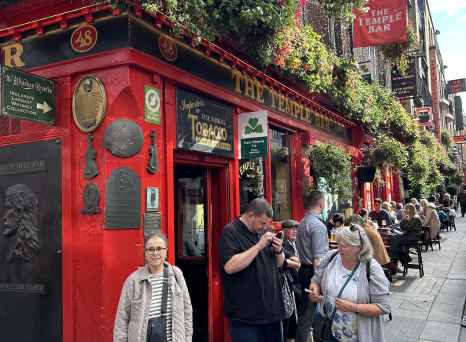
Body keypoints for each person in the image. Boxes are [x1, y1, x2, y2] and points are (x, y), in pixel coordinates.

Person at [308, 225, 391, 342]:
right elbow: (316, 280)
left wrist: (353, 307)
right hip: (329, 330)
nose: (339, 248)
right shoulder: (331, 257)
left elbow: (384, 307)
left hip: (359, 335)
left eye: (345, 245)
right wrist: (314, 290)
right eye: (339, 243)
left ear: (360, 247)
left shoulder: (371, 267)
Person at [220, 198, 285, 342]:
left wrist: (279, 250)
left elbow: (279, 264)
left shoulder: (262, 232)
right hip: (246, 317)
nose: (264, 227)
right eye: (262, 223)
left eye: (267, 223)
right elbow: (230, 266)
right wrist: (258, 246)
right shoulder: (231, 231)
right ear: (250, 215)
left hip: (272, 313)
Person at [113, 232, 193, 342]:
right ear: (145, 253)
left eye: (159, 248)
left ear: (166, 251)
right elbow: (122, 319)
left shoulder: (176, 275)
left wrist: (187, 339)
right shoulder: (133, 281)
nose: (155, 253)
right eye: (150, 249)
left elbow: (187, 311)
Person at [295, 191, 329, 342]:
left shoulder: (303, 222)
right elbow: (318, 259)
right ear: (321, 203)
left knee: (305, 312)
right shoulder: (317, 225)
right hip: (313, 273)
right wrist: (319, 281)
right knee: (312, 313)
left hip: (303, 270)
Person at [281, 219, 302, 342]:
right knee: (291, 317)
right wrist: (294, 260)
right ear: (284, 230)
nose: (295, 231)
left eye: (296, 229)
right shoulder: (283, 243)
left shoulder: (295, 243)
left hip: (298, 284)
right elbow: (295, 262)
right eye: (291, 228)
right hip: (289, 286)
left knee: (297, 315)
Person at [389, 203, 423, 273]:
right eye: (405, 209)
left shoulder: (416, 218)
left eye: (406, 209)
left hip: (413, 237)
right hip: (407, 236)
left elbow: (408, 229)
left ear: (411, 210)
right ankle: (402, 258)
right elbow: (402, 227)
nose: (405, 211)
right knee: (393, 238)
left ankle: (397, 258)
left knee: (395, 241)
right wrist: (403, 220)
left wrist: (405, 220)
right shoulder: (408, 217)